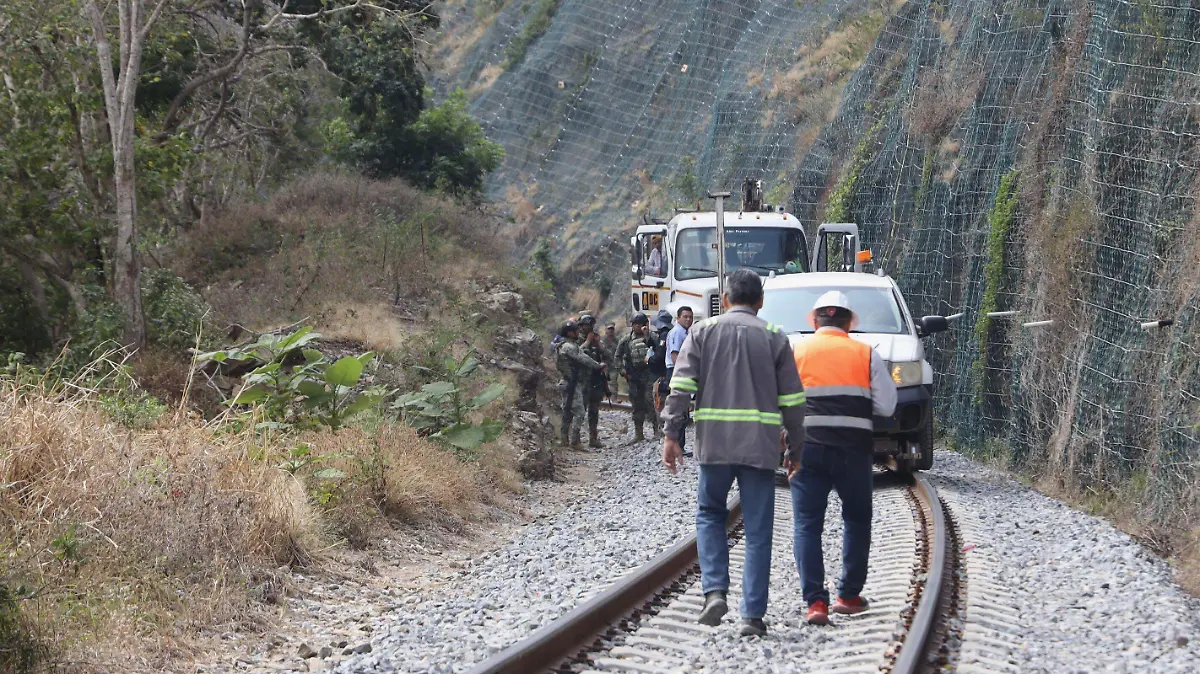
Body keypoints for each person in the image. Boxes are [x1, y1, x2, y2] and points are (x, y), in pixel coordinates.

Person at [661, 270, 807, 637]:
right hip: (759, 448)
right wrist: (796, 447)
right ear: (760, 302)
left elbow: (679, 387)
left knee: (710, 515)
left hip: (714, 444)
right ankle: (752, 617)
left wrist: (671, 434)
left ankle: (714, 591)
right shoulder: (774, 337)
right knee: (758, 531)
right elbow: (792, 401)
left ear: (724, 300)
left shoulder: (702, 332)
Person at [790, 291, 897, 626]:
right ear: (850, 322)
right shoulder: (865, 354)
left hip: (807, 448)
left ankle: (815, 604)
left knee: (807, 524)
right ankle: (848, 596)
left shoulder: (798, 351)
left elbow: (780, 401)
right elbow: (887, 406)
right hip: (854, 450)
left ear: (814, 320)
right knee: (856, 519)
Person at [554, 320, 605, 450]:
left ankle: (564, 439)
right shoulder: (569, 347)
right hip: (571, 383)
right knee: (580, 412)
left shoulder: (566, 345)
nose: (578, 332)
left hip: (567, 382)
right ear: (570, 333)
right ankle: (574, 441)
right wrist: (598, 366)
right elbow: (583, 358)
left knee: (567, 412)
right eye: (576, 330)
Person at [615, 313, 661, 442]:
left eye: (639, 324)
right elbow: (617, 357)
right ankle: (638, 433)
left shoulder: (652, 336)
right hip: (634, 376)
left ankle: (656, 430)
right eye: (634, 324)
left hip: (649, 374)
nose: (636, 327)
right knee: (637, 404)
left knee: (651, 402)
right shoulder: (626, 339)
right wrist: (623, 371)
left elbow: (659, 349)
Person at [665, 306, 694, 455]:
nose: (688, 319)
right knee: (679, 411)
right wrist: (682, 373)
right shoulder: (677, 333)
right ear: (678, 318)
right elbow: (675, 355)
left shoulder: (685, 332)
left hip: (679, 371)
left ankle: (680, 445)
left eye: (690, 317)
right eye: (685, 317)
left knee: (683, 412)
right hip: (677, 372)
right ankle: (677, 446)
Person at [579, 315, 608, 448]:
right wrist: (588, 341)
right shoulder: (577, 339)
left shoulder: (596, 340)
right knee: (580, 410)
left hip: (595, 379)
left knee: (594, 410)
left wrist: (599, 343)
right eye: (587, 325)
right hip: (582, 380)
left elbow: (607, 354)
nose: (590, 327)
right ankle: (575, 438)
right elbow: (577, 353)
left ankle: (593, 438)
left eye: (591, 325)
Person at [601, 322, 620, 395]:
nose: (611, 331)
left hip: (613, 366)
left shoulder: (617, 341)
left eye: (612, 329)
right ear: (606, 330)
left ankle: (613, 399)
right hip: (603, 365)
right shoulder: (601, 340)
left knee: (613, 382)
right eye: (609, 329)